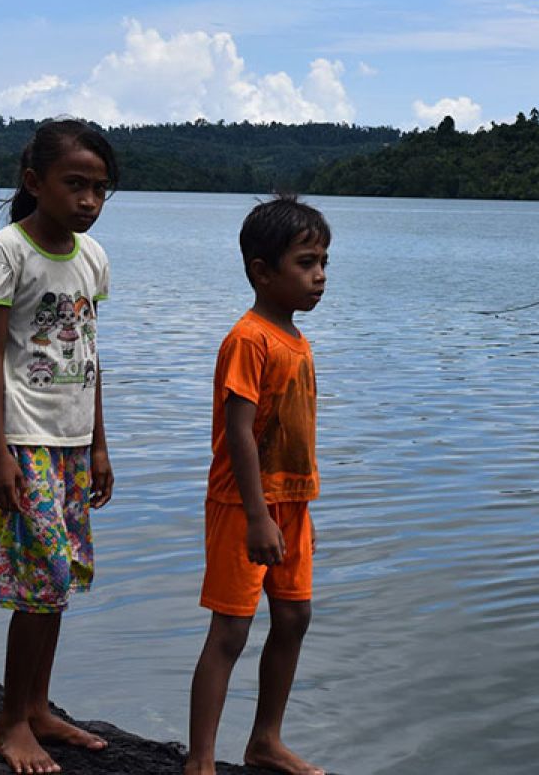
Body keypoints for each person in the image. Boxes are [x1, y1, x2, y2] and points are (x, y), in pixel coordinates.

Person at [0, 118, 119, 774]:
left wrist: (101, 446)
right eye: (75, 184)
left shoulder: (93, 258)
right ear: (35, 183)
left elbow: (89, 357)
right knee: (43, 577)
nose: (88, 200)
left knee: (56, 585)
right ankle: (9, 722)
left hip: (73, 442)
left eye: (100, 189)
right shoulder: (7, 252)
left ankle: (36, 707)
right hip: (24, 437)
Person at [185, 196, 330, 775]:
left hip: (291, 503)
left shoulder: (295, 337)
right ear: (261, 271)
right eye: (305, 263)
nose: (319, 276)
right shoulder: (249, 339)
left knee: (294, 618)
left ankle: (264, 741)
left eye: (323, 262)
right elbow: (239, 434)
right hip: (244, 505)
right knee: (231, 630)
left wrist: (293, 509)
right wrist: (256, 517)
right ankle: (200, 760)